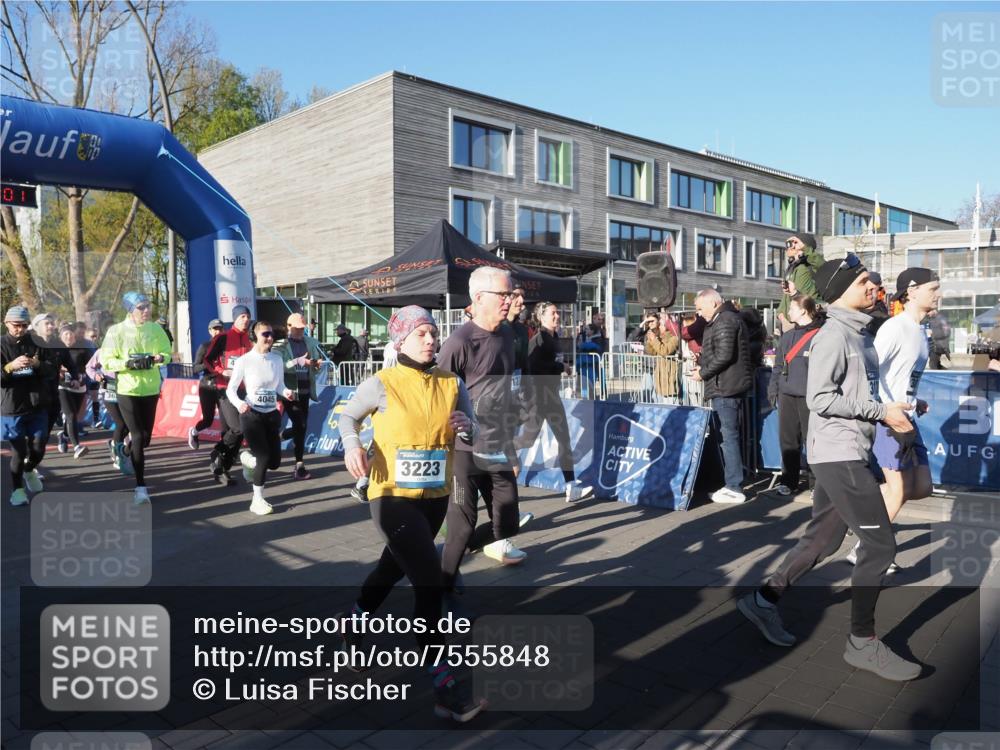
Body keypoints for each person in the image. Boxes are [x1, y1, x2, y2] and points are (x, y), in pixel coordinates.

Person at [737, 254, 921, 682]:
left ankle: (762, 601)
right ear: (839, 291)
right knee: (880, 547)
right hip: (838, 454)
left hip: (847, 451)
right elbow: (820, 398)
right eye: (863, 282)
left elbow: (859, 394)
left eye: (871, 281)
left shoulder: (859, 333)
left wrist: (896, 407)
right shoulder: (834, 335)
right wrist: (880, 412)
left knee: (823, 540)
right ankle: (862, 643)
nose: (873, 287)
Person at [338, 305, 485, 722]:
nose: (431, 339)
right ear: (401, 340)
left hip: (434, 497)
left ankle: (355, 620)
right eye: (421, 333)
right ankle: (444, 686)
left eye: (433, 333)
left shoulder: (452, 383)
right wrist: (352, 445)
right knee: (428, 582)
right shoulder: (381, 383)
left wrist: (467, 427)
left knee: (390, 570)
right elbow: (347, 417)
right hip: (390, 497)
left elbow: (473, 429)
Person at [439, 266, 528, 578]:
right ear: (478, 298)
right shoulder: (459, 342)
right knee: (462, 527)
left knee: (509, 523)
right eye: (502, 294)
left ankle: (457, 551)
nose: (509, 300)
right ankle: (442, 586)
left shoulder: (507, 335)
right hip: (463, 450)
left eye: (510, 294)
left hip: (497, 445)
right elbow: (438, 396)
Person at [853, 268, 942, 571]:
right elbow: (868, 371)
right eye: (933, 289)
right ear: (912, 291)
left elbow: (903, 377)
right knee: (898, 489)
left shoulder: (920, 330)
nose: (938, 294)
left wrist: (916, 401)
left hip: (908, 417)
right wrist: (883, 409)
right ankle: (865, 550)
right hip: (888, 419)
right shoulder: (895, 327)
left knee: (923, 487)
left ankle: (860, 509)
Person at [514, 302, 594, 502]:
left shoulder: (554, 337)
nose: (557, 316)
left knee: (564, 440)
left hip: (552, 397)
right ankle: (504, 448)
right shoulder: (538, 339)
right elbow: (533, 367)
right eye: (553, 313)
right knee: (528, 439)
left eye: (557, 313)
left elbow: (550, 363)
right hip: (539, 398)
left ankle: (571, 486)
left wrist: (561, 367)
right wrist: (561, 367)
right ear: (542, 317)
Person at [100, 292, 172, 504]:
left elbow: (167, 353)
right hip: (127, 390)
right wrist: (128, 364)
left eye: (148, 306)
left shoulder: (156, 329)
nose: (146, 310)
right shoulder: (116, 331)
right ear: (130, 310)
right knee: (138, 436)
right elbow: (106, 361)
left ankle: (123, 450)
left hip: (150, 389)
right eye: (141, 307)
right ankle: (141, 488)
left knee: (145, 439)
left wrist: (159, 358)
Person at [691, 290, 753, 503]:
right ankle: (731, 483)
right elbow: (720, 353)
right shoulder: (723, 319)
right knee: (726, 436)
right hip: (724, 385)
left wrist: (702, 373)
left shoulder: (725, 319)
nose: (699, 313)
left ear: (713, 303)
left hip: (726, 387)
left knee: (728, 437)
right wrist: (702, 362)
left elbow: (725, 355)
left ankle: (734, 486)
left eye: (700, 308)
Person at [227, 321, 293, 516]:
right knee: (264, 457)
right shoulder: (244, 360)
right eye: (265, 334)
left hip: (271, 414)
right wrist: (239, 404)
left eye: (272, 334)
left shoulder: (277, 359)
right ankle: (257, 500)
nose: (270, 338)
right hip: (251, 414)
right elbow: (231, 389)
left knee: (274, 463)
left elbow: (279, 385)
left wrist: (286, 392)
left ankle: (249, 461)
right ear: (254, 336)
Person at [767, 294, 825, 496]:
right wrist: (773, 389)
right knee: (788, 441)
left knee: (814, 441)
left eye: (792, 308)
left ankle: (817, 485)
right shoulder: (787, 336)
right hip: (787, 395)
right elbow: (778, 366)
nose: (788, 312)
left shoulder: (821, 334)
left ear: (803, 311)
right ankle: (788, 482)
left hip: (811, 396)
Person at [1, 306, 54, 506]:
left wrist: (37, 365)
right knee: (19, 451)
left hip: (36, 404)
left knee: (39, 447)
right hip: (12, 407)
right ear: (7, 323)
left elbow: (51, 370)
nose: (21, 329)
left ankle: (29, 469)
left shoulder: (37, 343)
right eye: (17, 325)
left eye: (24, 325)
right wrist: (10, 367)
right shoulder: (1, 345)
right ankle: (17, 491)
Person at [203, 306, 253, 484]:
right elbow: (207, 360)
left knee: (237, 432)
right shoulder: (223, 338)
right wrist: (221, 371)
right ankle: (217, 452)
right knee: (238, 429)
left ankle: (222, 467)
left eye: (247, 316)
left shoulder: (250, 339)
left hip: (243, 390)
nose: (246, 319)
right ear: (235, 318)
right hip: (225, 389)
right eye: (242, 316)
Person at [274, 312, 325, 480]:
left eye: (302, 328)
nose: (300, 331)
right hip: (289, 391)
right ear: (289, 327)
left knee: (301, 427)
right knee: (300, 424)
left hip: (305, 390)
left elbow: (314, 365)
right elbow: (278, 366)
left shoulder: (309, 342)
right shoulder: (280, 345)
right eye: (297, 328)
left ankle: (281, 439)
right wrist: (297, 361)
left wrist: (316, 365)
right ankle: (299, 464)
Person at [31, 312, 76, 448]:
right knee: (36, 433)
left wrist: (75, 377)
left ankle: (34, 454)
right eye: (47, 324)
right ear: (37, 326)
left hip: (53, 393)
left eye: (52, 323)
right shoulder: (29, 343)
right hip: (33, 396)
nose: (51, 326)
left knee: (45, 432)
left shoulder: (58, 344)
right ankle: (29, 454)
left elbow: (70, 364)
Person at [85, 347, 132, 475]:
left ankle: (116, 445)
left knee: (128, 424)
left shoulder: (128, 349)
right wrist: (96, 376)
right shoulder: (102, 351)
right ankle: (118, 456)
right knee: (121, 424)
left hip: (127, 390)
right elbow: (89, 367)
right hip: (109, 390)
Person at [188, 319, 225, 451]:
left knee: (226, 421)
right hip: (207, 387)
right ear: (210, 331)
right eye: (215, 329)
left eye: (220, 329)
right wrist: (208, 363)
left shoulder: (228, 346)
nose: (218, 331)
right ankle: (194, 432)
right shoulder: (205, 346)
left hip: (224, 387)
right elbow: (195, 368)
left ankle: (225, 450)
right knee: (208, 420)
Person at [55, 323, 92, 459]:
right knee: (70, 415)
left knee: (74, 416)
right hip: (62, 386)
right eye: (66, 334)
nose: (69, 336)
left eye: (71, 334)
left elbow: (90, 366)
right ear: (61, 337)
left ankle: (64, 435)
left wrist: (83, 375)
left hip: (79, 386)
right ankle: (77, 447)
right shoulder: (56, 350)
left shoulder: (82, 349)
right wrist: (59, 370)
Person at [777, 233, 824, 331]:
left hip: (806, 322)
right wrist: (781, 315)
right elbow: (786, 296)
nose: (788, 248)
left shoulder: (810, 265)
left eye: (792, 244)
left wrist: (805, 248)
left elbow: (823, 266)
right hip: (789, 323)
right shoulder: (792, 268)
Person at [643, 312, 680, 404]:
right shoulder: (658, 336)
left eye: (652, 321)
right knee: (660, 401)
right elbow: (652, 352)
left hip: (670, 375)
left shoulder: (674, 336)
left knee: (671, 403)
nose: (650, 324)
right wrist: (650, 340)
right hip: (661, 375)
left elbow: (664, 351)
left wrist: (654, 340)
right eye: (648, 322)